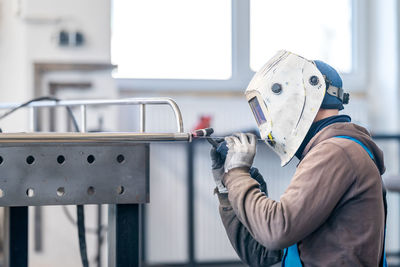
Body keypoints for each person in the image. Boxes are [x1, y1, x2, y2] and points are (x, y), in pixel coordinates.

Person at [210, 51, 387, 266]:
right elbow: (264, 255)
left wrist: (238, 175)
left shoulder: (336, 152)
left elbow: (275, 231)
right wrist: (228, 187)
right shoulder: (328, 151)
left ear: (304, 92)